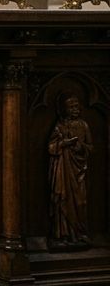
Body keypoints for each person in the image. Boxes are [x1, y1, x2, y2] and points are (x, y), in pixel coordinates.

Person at [48, 94, 91, 245]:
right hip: (63, 168)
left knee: (80, 201)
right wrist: (64, 143)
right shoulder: (59, 126)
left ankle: (79, 233)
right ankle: (63, 234)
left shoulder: (83, 126)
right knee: (62, 198)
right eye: (71, 107)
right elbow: (51, 147)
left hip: (78, 170)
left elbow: (90, 147)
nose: (75, 110)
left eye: (76, 106)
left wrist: (80, 146)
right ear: (64, 109)